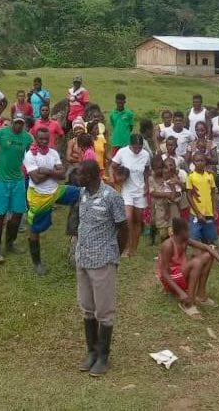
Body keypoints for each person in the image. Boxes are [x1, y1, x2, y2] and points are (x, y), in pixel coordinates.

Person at [73, 160, 127, 377]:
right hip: (83, 260)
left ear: (93, 175)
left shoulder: (111, 197)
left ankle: (103, 356)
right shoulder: (82, 194)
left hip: (103, 260)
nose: (78, 176)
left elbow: (123, 228)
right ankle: (92, 352)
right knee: (87, 307)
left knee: (104, 311)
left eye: (81, 174)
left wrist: (115, 254)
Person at [24, 128, 82, 275]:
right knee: (34, 229)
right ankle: (37, 263)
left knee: (81, 193)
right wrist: (53, 172)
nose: (44, 142)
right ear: (36, 139)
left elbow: (62, 175)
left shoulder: (54, 153)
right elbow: (36, 179)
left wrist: (46, 170)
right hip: (39, 196)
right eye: (41, 139)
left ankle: (74, 227)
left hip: (56, 191)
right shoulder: (30, 155)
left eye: (46, 139)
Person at [157, 217, 219, 319]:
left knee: (208, 255)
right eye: (188, 230)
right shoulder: (168, 245)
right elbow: (164, 273)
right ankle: (188, 302)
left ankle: (201, 295)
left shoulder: (185, 240)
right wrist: (181, 293)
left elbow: (207, 247)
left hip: (180, 274)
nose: (190, 231)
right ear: (181, 232)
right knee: (196, 262)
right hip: (170, 279)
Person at [0, 115, 34, 263]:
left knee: (18, 214)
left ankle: (10, 243)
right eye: (16, 123)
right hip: (0, 179)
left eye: (21, 123)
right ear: (12, 122)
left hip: (18, 180)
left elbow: (33, 152)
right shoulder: (2, 133)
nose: (18, 126)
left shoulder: (27, 138)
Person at [110, 134, 152, 256]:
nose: (137, 150)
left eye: (139, 147)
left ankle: (134, 248)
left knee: (137, 220)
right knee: (127, 218)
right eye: (135, 147)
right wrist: (113, 179)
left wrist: (147, 186)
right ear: (130, 145)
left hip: (140, 190)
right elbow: (112, 167)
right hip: (127, 190)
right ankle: (126, 246)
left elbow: (147, 171)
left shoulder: (145, 154)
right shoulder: (122, 152)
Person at [186, 152, 218, 246]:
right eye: (197, 161)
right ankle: (196, 255)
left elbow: (213, 193)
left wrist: (214, 209)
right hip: (196, 213)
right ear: (193, 162)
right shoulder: (191, 176)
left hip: (208, 212)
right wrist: (198, 213)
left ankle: (208, 255)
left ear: (205, 162)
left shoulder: (210, 176)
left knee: (209, 236)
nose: (200, 163)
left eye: (202, 160)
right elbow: (189, 195)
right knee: (194, 236)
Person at [148, 157, 181, 243]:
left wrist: (173, 193)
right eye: (157, 168)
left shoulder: (168, 176)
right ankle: (164, 251)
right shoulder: (151, 179)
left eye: (161, 167)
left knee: (172, 232)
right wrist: (166, 194)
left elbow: (178, 190)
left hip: (172, 208)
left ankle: (173, 252)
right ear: (153, 169)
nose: (160, 170)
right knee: (163, 233)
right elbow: (152, 193)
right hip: (160, 209)